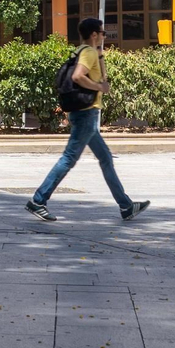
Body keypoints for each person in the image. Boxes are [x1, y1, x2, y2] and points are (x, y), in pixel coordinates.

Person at [26, 17, 151, 223]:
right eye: (102, 33)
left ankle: (126, 206)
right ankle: (38, 200)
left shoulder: (85, 51)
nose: (104, 35)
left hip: (86, 113)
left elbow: (102, 76)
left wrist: (101, 55)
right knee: (69, 158)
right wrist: (99, 88)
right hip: (86, 113)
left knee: (105, 159)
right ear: (94, 34)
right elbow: (78, 76)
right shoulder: (89, 52)